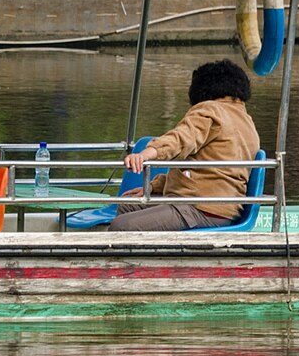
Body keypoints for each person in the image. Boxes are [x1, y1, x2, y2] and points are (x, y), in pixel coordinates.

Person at [110, 60, 260, 232]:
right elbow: (211, 173)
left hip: (202, 208)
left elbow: (181, 139)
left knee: (121, 225)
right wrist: (154, 186)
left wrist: (146, 154)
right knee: (127, 207)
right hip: (219, 207)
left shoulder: (210, 110)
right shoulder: (247, 121)